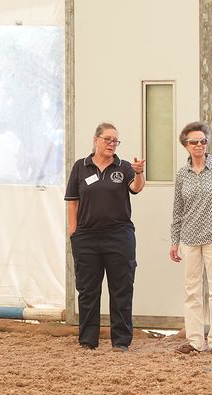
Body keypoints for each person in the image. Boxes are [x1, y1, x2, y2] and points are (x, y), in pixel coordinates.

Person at [65, 122, 145, 352]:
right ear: (96, 140)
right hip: (87, 238)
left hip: (119, 236)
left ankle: (120, 341)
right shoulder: (81, 167)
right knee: (88, 289)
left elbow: (137, 188)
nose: (112, 144)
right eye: (108, 139)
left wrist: (138, 172)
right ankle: (88, 340)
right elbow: (72, 200)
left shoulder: (124, 167)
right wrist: (74, 232)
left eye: (115, 141)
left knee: (121, 288)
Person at [170, 121, 212, 355]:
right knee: (192, 291)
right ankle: (195, 340)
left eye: (202, 141)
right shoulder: (181, 175)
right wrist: (174, 240)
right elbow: (177, 210)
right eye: (193, 142)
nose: (199, 145)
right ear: (185, 145)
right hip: (189, 238)